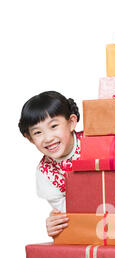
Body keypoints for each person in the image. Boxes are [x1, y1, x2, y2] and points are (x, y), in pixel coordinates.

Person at [18, 91, 83, 237]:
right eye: (37, 133)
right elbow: (72, 217)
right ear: (30, 138)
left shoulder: (95, 141)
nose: (48, 138)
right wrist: (57, 224)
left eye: (53, 126)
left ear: (71, 122)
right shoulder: (46, 173)